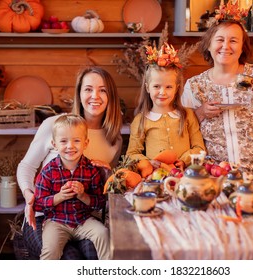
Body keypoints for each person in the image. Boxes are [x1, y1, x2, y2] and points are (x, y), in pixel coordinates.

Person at [181, 4, 253, 206]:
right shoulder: (195, 85)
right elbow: (181, 130)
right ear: (208, 44)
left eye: (233, 40)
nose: (226, 46)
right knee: (224, 234)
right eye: (219, 39)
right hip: (215, 180)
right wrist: (199, 113)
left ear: (242, 46)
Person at [17, 66, 123, 259]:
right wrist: (29, 197)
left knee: (94, 256)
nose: (95, 96)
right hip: (46, 217)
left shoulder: (114, 140)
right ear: (79, 93)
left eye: (103, 90)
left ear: (111, 96)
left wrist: (109, 174)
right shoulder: (55, 125)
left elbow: (104, 190)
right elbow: (26, 167)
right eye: (88, 89)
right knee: (70, 259)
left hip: (85, 218)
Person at [33, 114, 110, 260]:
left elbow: (100, 202)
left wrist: (83, 196)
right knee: (50, 250)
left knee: (103, 233)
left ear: (85, 143)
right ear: (54, 144)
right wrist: (59, 197)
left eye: (76, 140)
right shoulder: (48, 171)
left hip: (84, 220)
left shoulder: (91, 170)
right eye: (63, 141)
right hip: (56, 221)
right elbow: (38, 204)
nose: (70, 146)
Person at [126, 43, 206, 169]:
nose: (162, 92)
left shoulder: (187, 115)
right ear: (147, 87)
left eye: (168, 87)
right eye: (156, 86)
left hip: (183, 175)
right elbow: (132, 154)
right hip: (155, 176)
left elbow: (199, 148)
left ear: (176, 88)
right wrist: (149, 162)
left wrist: (185, 161)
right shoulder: (141, 120)